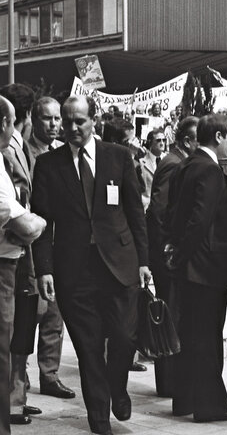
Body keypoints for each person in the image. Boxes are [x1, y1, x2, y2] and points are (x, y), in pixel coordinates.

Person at [31, 96, 151, 435]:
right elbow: (42, 223)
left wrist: (144, 261)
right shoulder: (49, 165)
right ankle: (99, 418)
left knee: (126, 337)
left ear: (93, 120)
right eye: (66, 122)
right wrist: (45, 269)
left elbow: (135, 214)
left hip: (120, 266)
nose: (71, 128)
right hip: (75, 271)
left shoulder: (119, 157)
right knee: (88, 346)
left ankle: (117, 387)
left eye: (79, 121)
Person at [166, 114, 227, 423]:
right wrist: (184, 251)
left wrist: (176, 250)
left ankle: (184, 398)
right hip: (207, 267)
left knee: (191, 333)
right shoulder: (209, 170)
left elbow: (174, 214)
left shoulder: (184, 165)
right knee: (208, 336)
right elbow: (200, 219)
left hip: (191, 267)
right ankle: (210, 405)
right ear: (217, 136)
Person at [23, 97, 76, 402]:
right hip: (29, 244)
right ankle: (22, 378)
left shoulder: (61, 153)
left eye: (58, 119)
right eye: (48, 119)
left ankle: (50, 374)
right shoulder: (22, 154)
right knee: (31, 313)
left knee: (55, 314)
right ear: (34, 119)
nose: (55, 125)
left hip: (58, 244)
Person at [0, 95, 47, 433]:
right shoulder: (12, 151)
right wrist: (36, 221)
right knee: (7, 340)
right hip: (10, 256)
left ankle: (18, 392)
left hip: (19, 255)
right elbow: (25, 222)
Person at [145, 116, 198, 397]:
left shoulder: (176, 162)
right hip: (167, 258)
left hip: (166, 256)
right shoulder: (174, 165)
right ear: (187, 141)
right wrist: (170, 248)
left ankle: (172, 381)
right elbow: (159, 210)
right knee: (169, 318)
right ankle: (169, 382)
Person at [138, 128, 167, 210]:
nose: (162, 143)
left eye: (164, 140)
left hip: (165, 209)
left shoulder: (168, 160)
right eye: (158, 140)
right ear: (150, 142)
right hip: (147, 208)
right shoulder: (141, 163)